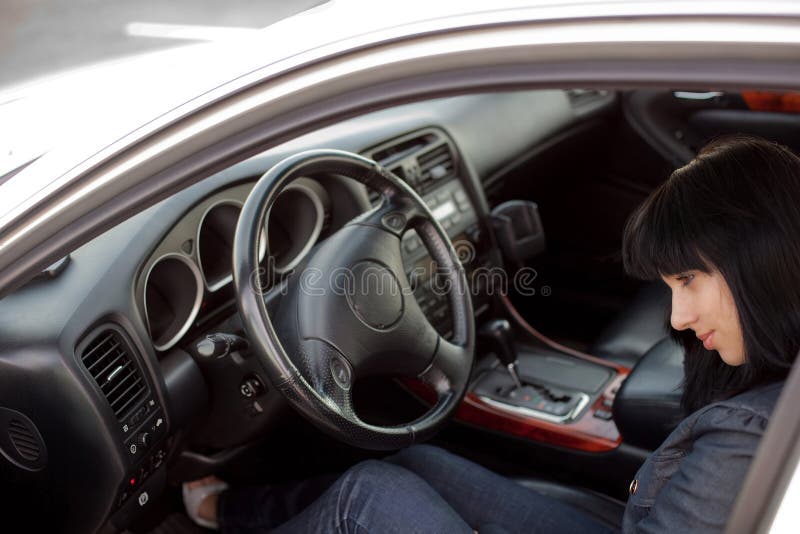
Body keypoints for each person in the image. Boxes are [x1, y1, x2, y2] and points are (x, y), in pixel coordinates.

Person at [182, 135, 800, 533]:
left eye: (689, 277)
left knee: (367, 496)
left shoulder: (750, 439)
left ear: (764, 257)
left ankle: (217, 514)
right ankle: (229, 512)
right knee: (421, 460)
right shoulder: (773, 398)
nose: (677, 318)